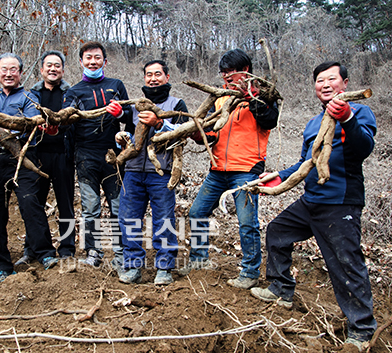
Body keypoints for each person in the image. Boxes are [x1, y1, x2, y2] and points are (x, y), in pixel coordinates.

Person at [251, 61, 377, 350]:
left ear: (345, 83)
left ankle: (361, 329)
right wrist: (278, 176)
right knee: (277, 231)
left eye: (331, 79)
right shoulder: (312, 123)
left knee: (346, 265)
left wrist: (347, 118)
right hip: (311, 201)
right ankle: (281, 289)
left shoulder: (360, 113)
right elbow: (305, 163)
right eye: (320, 81)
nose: (325, 85)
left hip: (340, 203)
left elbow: (363, 149)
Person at [180, 49, 279, 290]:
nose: (227, 77)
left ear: (246, 71)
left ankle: (250, 272)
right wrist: (197, 134)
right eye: (223, 72)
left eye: (231, 72)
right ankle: (199, 260)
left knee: (247, 222)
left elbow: (270, 121)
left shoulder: (263, 95)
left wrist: (251, 97)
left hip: (246, 169)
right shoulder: (220, 98)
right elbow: (213, 134)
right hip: (217, 169)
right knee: (197, 212)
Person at [0, 53, 58, 283]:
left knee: (31, 204)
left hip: (21, 157)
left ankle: (45, 254)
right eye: (4, 70)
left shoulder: (29, 97)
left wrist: (6, 123)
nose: (8, 74)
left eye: (13, 70)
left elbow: (31, 124)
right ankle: (1, 264)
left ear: (20, 73)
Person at [116, 60, 189, 285]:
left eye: (158, 74)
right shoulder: (134, 106)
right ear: (144, 78)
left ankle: (164, 268)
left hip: (162, 172)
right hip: (133, 171)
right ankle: (132, 266)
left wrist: (159, 123)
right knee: (128, 219)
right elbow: (128, 133)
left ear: (166, 77)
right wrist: (121, 140)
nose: (153, 78)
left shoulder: (177, 104)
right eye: (149, 74)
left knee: (163, 220)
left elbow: (183, 133)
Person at [61, 41, 131, 267]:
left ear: (105, 61)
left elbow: (130, 117)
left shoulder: (116, 85)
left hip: (112, 157)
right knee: (90, 210)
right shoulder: (73, 91)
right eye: (88, 58)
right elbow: (65, 124)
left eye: (97, 58)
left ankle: (121, 254)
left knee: (118, 208)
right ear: (81, 62)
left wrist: (121, 113)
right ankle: (94, 253)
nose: (93, 62)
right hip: (85, 158)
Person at [13, 50, 75, 265]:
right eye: (48, 65)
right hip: (36, 156)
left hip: (63, 155)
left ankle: (67, 249)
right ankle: (32, 249)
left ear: (63, 70)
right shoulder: (31, 94)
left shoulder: (71, 93)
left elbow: (76, 122)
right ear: (41, 70)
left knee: (65, 204)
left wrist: (60, 128)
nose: (53, 69)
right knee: (34, 204)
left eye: (57, 65)